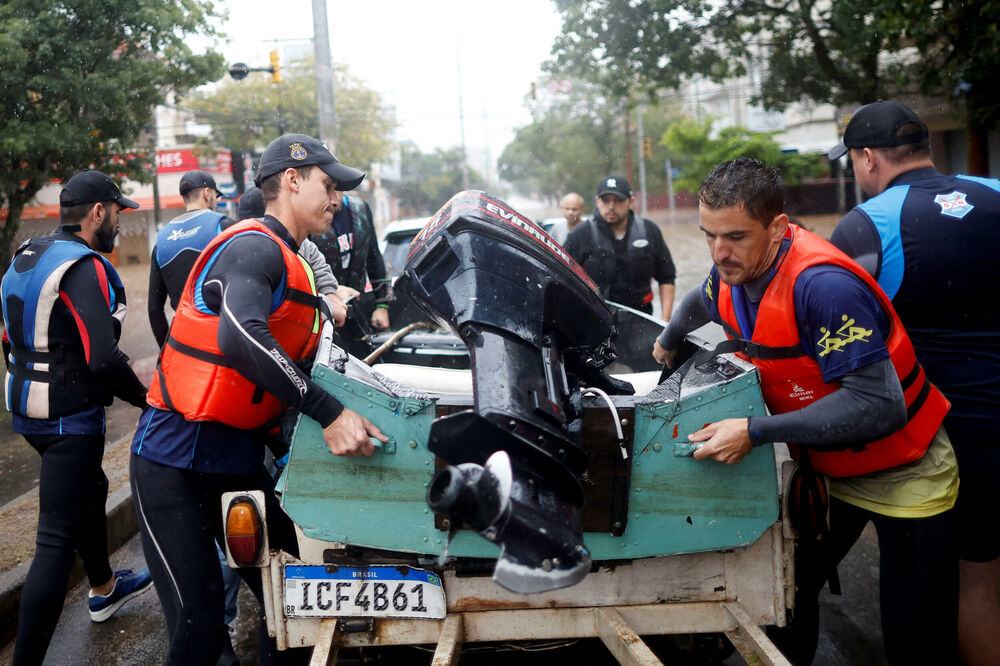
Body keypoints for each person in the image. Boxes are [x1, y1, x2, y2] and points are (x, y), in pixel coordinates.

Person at [651, 158, 959, 665]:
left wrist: (754, 431)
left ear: (777, 228)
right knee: (782, 601)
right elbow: (700, 298)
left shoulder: (823, 286)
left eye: (734, 236)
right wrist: (667, 341)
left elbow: (880, 406)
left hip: (907, 471)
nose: (719, 253)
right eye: (708, 236)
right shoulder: (732, 269)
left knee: (913, 635)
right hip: (832, 470)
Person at [129, 133, 386, 665]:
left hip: (233, 458)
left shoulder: (294, 261)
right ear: (292, 181)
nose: (338, 199)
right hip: (172, 459)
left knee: (295, 598)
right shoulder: (253, 246)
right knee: (199, 625)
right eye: (329, 185)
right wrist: (330, 414)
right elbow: (241, 337)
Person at [828, 100, 1000, 666]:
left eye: (853, 160)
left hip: (940, 438)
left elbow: (829, 329)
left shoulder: (868, 223)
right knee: (987, 579)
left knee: (952, 588)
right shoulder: (993, 191)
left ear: (869, 157)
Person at [1, 170, 153, 665]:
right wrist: (147, 400)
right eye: (116, 212)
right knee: (53, 543)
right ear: (96, 213)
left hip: (27, 412)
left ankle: (105, 587)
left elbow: (10, 336)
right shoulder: (83, 267)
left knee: (90, 490)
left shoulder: (29, 254)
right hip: (68, 420)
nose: (117, 222)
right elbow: (103, 359)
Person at [564, 175, 676, 321]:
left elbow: (667, 277)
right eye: (606, 200)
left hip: (640, 319)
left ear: (631, 202)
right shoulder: (580, 235)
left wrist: (665, 324)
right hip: (594, 321)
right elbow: (563, 279)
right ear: (597, 201)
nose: (611, 206)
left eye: (618, 201)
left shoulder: (650, 231)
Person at [147, 170, 235, 348]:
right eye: (215, 197)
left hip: (185, 340)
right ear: (207, 193)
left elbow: (154, 310)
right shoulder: (223, 226)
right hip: (223, 338)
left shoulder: (161, 240)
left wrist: (167, 349)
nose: (216, 203)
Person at [309, 191, 391, 331]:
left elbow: (374, 256)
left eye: (335, 187)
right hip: (323, 314)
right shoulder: (308, 215)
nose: (332, 199)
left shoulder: (361, 209)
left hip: (358, 307)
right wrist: (330, 291)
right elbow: (299, 266)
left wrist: (382, 305)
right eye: (326, 187)